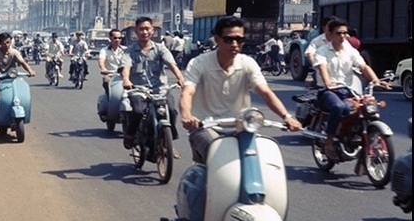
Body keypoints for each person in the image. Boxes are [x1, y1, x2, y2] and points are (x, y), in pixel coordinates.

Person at [179, 16, 303, 164]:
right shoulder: (199, 63)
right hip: (205, 126)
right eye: (229, 39)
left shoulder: (248, 63)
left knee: (260, 161)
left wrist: (286, 116)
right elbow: (187, 92)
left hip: (242, 126)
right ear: (217, 39)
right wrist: (187, 116)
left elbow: (265, 92)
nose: (235, 44)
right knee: (219, 158)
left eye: (239, 40)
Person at [313, 18, 391, 162]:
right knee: (338, 107)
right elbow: (322, 68)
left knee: (366, 107)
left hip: (347, 90)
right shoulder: (322, 51)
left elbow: (363, 66)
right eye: (338, 33)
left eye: (345, 33)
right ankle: (329, 142)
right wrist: (328, 83)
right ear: (330, 34)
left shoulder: (351, 51)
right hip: (327, 91)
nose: (342, 36)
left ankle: (361, 143)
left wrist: (376, 80)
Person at [120, 16, 185, 156]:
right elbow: (126, 68)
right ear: (136, 32)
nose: (144, 32)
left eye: (147, 29)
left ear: (152, 31)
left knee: (172, 110)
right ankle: (130, 135)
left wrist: (181, 78)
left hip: (160, 89)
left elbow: (172, 64)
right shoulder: (129, 51)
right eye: (141, 29)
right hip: (139, 89)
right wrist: (126, 80)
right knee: (138, 111)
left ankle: (168, 142)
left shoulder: (160, 49)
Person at [0, 32, 35, 100]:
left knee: (21, 84)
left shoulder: (14, 52)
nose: (6, 45)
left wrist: (30, 71)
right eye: (4, 43)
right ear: (0, 43)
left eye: (8, 42)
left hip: (12, 76)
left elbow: (22, 62)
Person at [98, 28, 126, 97]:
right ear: (110, 38)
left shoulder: (126, 50)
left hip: (124, 76)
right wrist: (103, 68)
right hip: (111, 75)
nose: (117, 40)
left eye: (120, 38)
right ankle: (109, 98)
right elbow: (101, 60)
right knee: (106, 81)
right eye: (115, 38)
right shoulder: (104, 50)